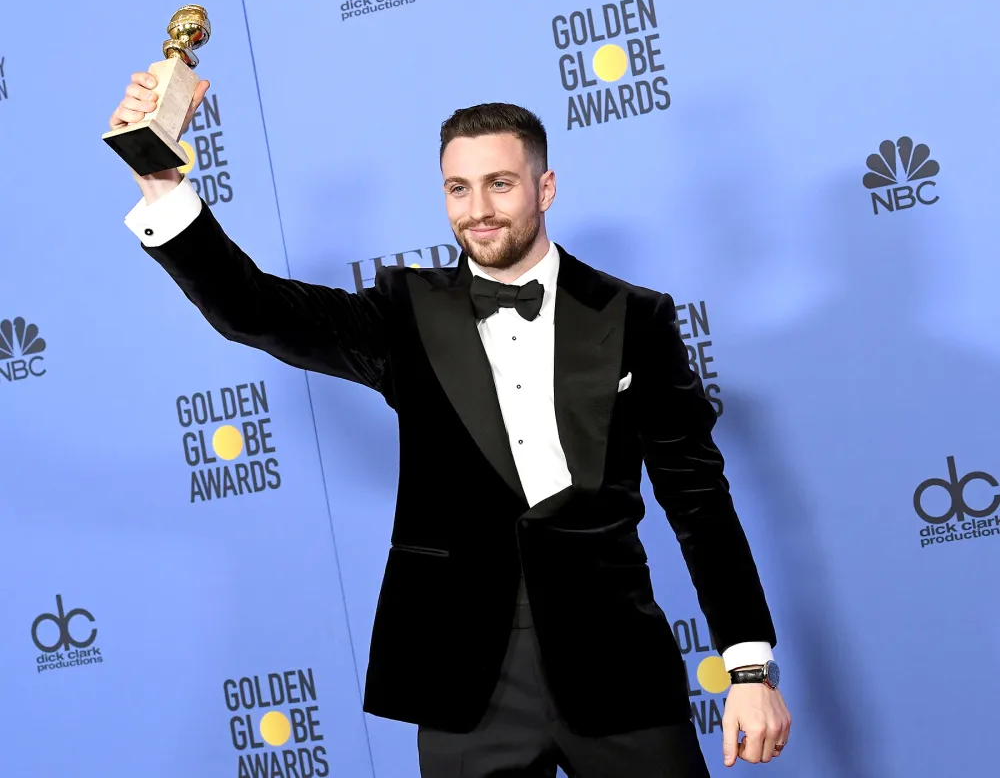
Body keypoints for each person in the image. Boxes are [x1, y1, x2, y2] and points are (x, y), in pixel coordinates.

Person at [109, 71, 792, 777]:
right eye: (457, 188)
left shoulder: (635, 315)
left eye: (499, 183)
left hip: (615, 663)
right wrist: (161, 181)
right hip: (466, 680)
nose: (477, 210)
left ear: (545, 188)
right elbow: (254, 308)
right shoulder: (407, 312)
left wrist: (747, 668)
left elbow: (698, 498)